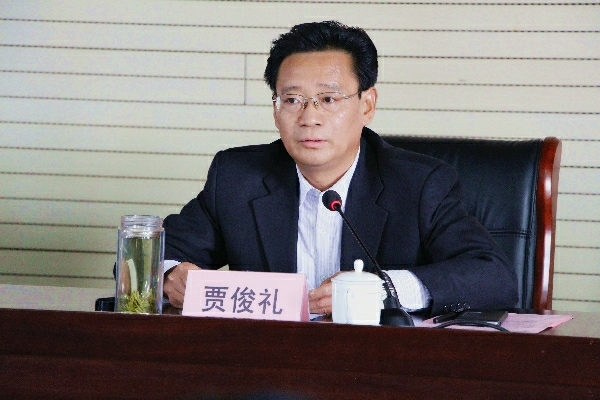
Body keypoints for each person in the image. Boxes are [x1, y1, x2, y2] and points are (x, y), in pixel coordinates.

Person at [162, 20, 518, 317]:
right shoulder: (238, 176)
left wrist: (381, 290)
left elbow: (493, 277)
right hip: (267, 361)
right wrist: (170, 275)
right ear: (275, 109)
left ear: (367, 105)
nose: (309, 117)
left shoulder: (420, 184)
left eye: (329, 99)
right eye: (292, 100)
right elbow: (158, 252)